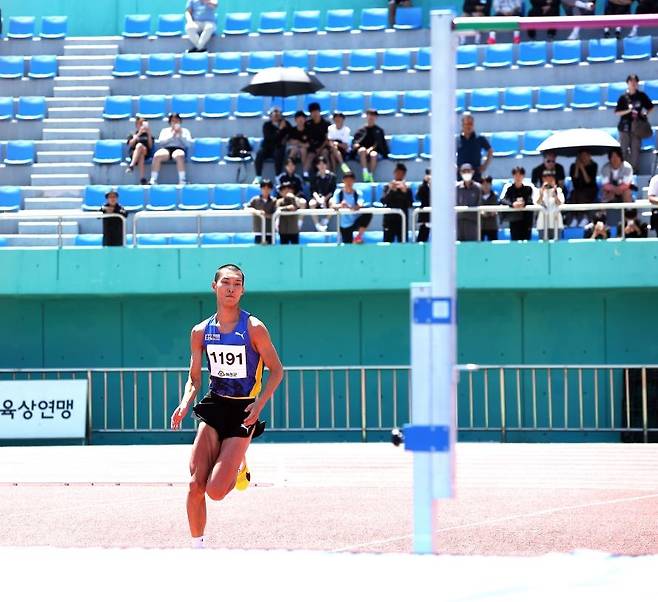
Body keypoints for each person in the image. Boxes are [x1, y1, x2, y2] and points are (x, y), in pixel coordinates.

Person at [170, 264, 283, 549]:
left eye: (236, 284)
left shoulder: (254, 328)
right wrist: (185, 403)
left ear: (242, 290)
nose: (231, 288)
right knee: (196, 484)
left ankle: (239, 465)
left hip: (244, 410)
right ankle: (198, 548)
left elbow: (277, 370)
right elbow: (194, 379)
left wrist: (259, 404)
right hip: (214, 405)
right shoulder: (200, 331)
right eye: (226, 283)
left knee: (216, 491)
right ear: (215, 287)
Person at [614, 74, 653, 173]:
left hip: (637, 127)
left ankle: (633, 170)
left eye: (635, 82)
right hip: (624, 127)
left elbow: (650, 106)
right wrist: (628, 111)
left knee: (635, 149)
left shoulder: (641, 95)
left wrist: (645, 113)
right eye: (631, 82)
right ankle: (622, 170)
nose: (633, 84)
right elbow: (617, 112)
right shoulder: (623, 97)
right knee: (623, 149)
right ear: (627, 83)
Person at [149, 113, 192, 185]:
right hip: (167, 149)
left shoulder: (185, 131)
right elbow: (161, 143)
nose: (175, 122)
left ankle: (182, 180)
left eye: (177, 121)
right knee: (157, 155)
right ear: (170, 122)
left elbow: (188, 144)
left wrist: (180, 135)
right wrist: (172, 135)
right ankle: (153, 179)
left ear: (180, 122)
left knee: (179, 155)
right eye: (173, 121)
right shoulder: (165, 131)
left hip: (179, 148)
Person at [331, 171, 372, 244]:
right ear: (343, 181)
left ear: (354, 181)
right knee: (348, 245)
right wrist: (341, 205)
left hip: (355, 221)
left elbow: (360, 203)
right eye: (346, 180)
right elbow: (333, 205)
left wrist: (352, 207)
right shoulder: (338, 193)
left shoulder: (357, 193)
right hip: (344, 225)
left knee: (368, 213)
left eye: (350, 180)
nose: (348, 183)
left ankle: (359, 236)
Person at [351, 109, 389, 183]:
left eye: (373, 115)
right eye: (369, 115)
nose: (371, 117)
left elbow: (380, 144)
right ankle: (365, 173)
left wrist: (371, 149)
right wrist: (357, 146)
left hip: (374, 152)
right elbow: (355, 143)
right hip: (361, 153)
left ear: (376, 117)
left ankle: (370, 175)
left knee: (373, 154)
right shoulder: (360, 130)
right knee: (362, 150)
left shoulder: (379, 130)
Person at [254, 107, 289, 184]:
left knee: (279, 153)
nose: (276, 115)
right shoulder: (266, 125)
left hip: (278, 148)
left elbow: (290, 134)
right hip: (267, 148)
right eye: (274, 112)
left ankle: (278, 176)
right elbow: (270, 138)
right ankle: (258, 176)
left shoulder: (286, 124)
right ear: (270, 115)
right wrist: (280, 129)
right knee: (259, 153)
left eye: (278, 112)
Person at [380, 162, 413, 243]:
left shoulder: (407, 189)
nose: (399, 175)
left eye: (401, 173)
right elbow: (383, 201)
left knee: (403, 244)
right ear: (394, 173)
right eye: (397, 172)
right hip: (389, 220)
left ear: (404, 175)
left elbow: (410, 204)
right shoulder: (387, 187)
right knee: (387, 244)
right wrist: (391, 191)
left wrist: (405, 192)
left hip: (402, 221)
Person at [500, 166, 535, 241]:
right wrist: (513, 204)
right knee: (515, 242)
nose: (518, 177)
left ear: (523, 176)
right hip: (514, 220)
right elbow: (503, 200)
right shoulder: (509, 189)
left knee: (526, 243)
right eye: (516, 175)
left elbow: (531, 201)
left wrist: (523, 203)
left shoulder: (528, 188)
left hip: (526, 220)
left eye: (520, 175)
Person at [457, 113, 493, 183]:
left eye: (471, 124)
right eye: (467, 124)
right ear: (462, 125)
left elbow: (490, 151)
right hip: (461, 176)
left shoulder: (479, 139)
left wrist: (484, 165)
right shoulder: (457, 140)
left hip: (476, 175)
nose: (469, 126)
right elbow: (448, 154)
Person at [568, 150, 598, 227]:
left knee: (581, 194)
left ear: (589, 156)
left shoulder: (594, 166)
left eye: (585, 156)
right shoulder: (573, 166)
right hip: (578, 189)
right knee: (573, 194)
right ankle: (574, 218)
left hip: (590, 189)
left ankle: (584, 217)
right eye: (581, 156)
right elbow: (574, 181)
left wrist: (582, 168)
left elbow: (588, 181)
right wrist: (577, 168)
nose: (583, 158)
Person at [534, 170, 565, 240]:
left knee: (557, 247)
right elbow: (537, 203)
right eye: (546, 178)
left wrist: (555, 194)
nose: (548, 181)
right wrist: (541, 194)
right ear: (543, 179)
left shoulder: (558, 190)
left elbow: (560, 203)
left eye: (551, 178)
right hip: (542, 225)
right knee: (542, 248)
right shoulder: (538, 191)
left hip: (556, 224)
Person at [309, 156, 337, 232]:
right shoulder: (314, 177)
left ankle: (325, 222)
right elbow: (313, 190)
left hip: (328, 198)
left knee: (333, 202)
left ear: (326, 165)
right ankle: (317, 225)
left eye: (323, 164)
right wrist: (319, 199)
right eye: (319, 164)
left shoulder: (332, 176)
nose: (321, 166)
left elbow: (332, 191)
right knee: (311, 203)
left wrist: (324, 199)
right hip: (317, 198)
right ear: (317, 166)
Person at [245, 179, 277, 244]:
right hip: (258, 231)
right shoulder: (255, 199)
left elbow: (276, 215)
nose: (266, 190)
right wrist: (257, 212)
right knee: (258, 251)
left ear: (271, 190)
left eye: (268, 188)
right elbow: (247, 208)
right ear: (261, 189)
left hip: (270, 232)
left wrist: (265, 215)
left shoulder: (274, 201)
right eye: (264, 188)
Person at [455, 163, 482, 242]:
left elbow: (480, 204)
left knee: (472, 247)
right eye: (464, 171)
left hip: (472, 222)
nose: (466, 173)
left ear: (473, 172)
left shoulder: (478, 188)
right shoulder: (456, 188)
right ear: (460, 173)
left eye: (468, 171)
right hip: (459, 222)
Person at [305, 102, 331, 178]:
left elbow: (327, 139)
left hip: (323, 146)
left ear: (319, 112)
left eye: (316, 112)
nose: (314, 114)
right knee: (309, 156)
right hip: (313, 147)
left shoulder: (326, 124)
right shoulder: (308, 124)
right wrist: (314, 149)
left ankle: (328, 174)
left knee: (325, 153)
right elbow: (308, 139)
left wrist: (320, 149)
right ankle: (305, 175)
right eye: (312, 112)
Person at [125, 116, 153, 185]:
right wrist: (139, 134)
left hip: (146, 152)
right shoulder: (133, 134)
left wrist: (149, 134)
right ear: (136, 125)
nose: (141, 126)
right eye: (139, 124)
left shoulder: (148, 135)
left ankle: (131, 166)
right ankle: (142, 179)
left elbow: (150, 146)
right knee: (140, 153)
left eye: (142, 124)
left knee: (139, 146)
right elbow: (130, 144)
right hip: (134, 153)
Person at [287, 110, 311, 175]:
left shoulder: (309, 130)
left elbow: (308, 144)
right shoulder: (292, 130)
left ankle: (305, 173)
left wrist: (299, 143)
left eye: (302, 118)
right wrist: (296, 143)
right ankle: (289, 172)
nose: (300, 120)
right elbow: (289, 140)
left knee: (303, 150)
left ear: (305, 119)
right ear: (295, 120)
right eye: (298, 118)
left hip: (305, 150)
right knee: (294, 150)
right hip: (294, 149)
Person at [480, 175, 499, 241]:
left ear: (491, 185)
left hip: (492, 226)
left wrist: (488, 213)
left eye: (488, 184)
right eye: (484, 184)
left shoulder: (495, 196)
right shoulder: (477, 195)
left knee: (493, 246)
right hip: (480, 226)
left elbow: (495, 210)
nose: (486, 186)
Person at [416, 169, 431, 243]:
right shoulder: (422, 187)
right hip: (425, 218)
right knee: (421, 240)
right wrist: (425, 183)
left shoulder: (441, 187)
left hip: (438, 218)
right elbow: (418, 197)